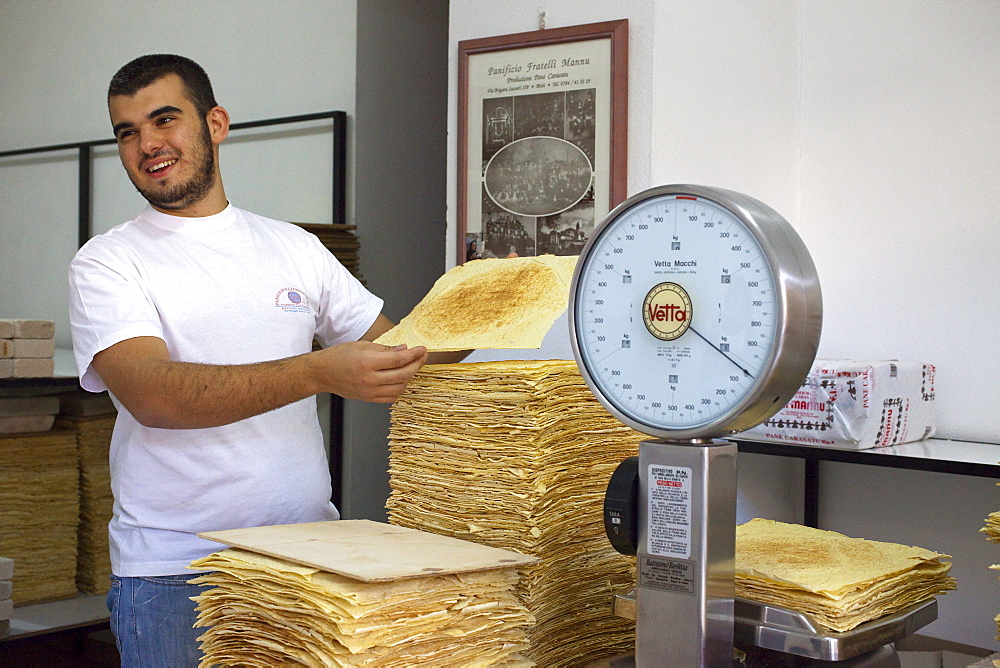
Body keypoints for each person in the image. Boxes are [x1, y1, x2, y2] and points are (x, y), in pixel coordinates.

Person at [67, 54, 466, 667]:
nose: (148, 144)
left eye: (164, 119)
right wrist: (317, 370)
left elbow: (402, 352)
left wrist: (497, 308)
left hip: (305, 558)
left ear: (216, 123)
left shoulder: (294, 248)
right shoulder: (108, 262)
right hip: (178, 573)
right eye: (127, 131)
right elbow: (154, 397)